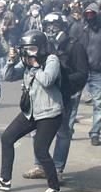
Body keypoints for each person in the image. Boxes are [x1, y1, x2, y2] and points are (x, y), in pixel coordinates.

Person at [0, 30, 64, 192]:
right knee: (7, 138)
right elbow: (7, 76)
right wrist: (12, 61)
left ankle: (54, 188)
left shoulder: (51, 60)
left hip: (50, 113)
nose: (28, 52)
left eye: (32, 49)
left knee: (41, 150)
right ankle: (5, 180)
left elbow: (48, 80)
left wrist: (34, 65)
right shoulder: (27, 61)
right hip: (31, 112)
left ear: (41, 48)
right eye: (25, 49)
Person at [22, 13, 88, 180]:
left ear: (63, 27)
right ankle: (40, 166)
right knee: (37, 130)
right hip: (45, 96)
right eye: (48, 25)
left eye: (56, 25)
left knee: (63, 132)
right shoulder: (46, 45)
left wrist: (60, 80)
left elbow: (82, 74)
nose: (51, 29)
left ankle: (57, 168)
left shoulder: (75, 46)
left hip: (67, 96)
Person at [72, 2, 101, 146]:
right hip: (79, 70)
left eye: (92, 13)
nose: (90, 16)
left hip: (97, 71)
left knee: (99, 104)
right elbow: (70, 45)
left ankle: (95, 133)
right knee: (73, 101)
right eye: (87, 13)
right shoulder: (78, 28)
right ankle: (68, 129)